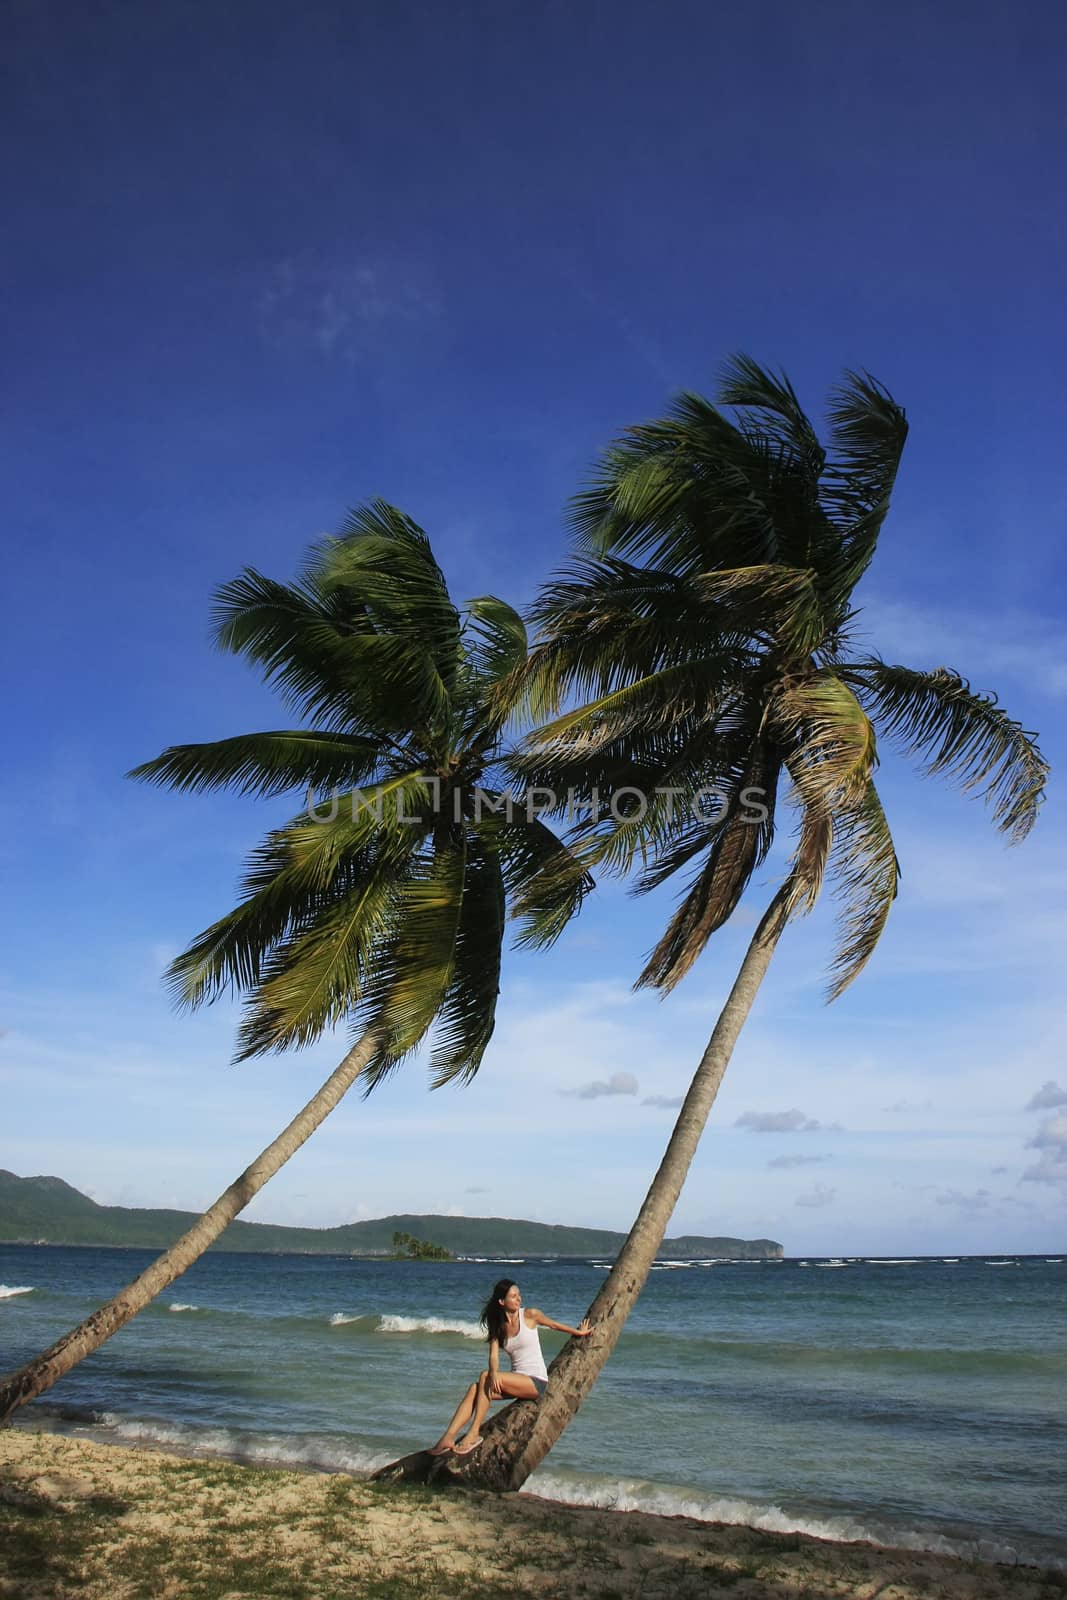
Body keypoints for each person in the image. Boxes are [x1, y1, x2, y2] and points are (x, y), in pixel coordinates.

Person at [428, 1278, 592, 1456]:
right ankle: (448, 1438)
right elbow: (493, 1356)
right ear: (501, 1301)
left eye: (519, 1295)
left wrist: (578, 1332)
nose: (519, 1299)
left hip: (536, 1382)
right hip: (516, 1381)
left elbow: (553, 1324)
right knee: (475, 1388)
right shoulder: (498, 1326)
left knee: (484, 1377)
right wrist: (493, 1373)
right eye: (513, 1296)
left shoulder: (529, 1314)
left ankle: (474, 1433)